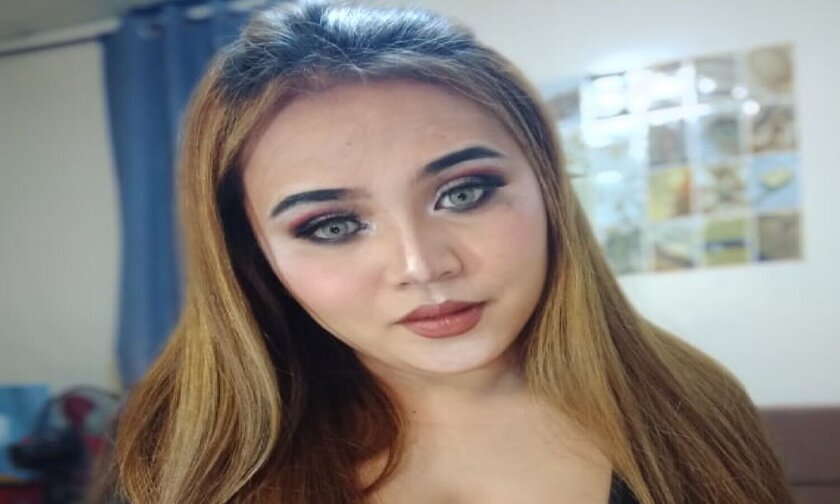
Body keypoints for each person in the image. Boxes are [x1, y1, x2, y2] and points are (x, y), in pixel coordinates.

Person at [106, 2, 793, 503]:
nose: (422, 266)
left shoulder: (689, 404)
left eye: (464, 193)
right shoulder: (182, 463)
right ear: (253, 254)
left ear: (547, 188)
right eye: (332, 226)